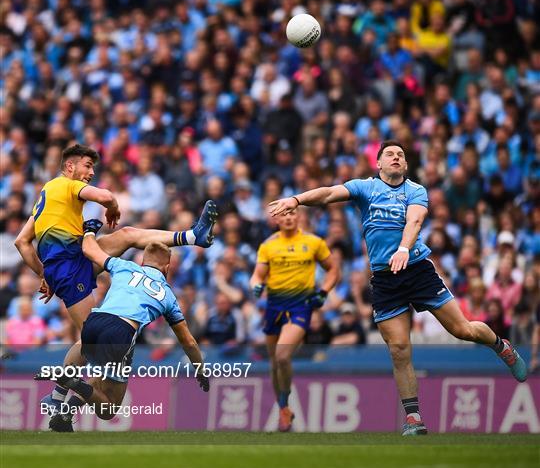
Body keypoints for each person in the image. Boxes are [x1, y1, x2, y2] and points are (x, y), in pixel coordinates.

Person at [268, 140, 528, 436]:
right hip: (385, 277)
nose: (396, 157)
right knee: (400, 349)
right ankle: (414, 418)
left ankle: (500, 346)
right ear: (377, 163)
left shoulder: (415, 191)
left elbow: (415, 221)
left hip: (416, 268)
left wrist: (404, 248)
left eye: (401, 155)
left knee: (463, 330)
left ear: (405, 165)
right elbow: (328, 193)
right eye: (389, 154)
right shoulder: (365, 188)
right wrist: (297, 200)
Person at [15, 144, 218, 412]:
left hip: (71, 260)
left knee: (127, 235)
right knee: (92, 339)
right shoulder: (64, 185)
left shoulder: (45, 199)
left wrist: (44, 274)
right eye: (87, 166)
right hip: (69, 264)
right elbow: (106, 196)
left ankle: (192, 236)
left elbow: (22, 242)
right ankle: (58, 396)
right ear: (69, 166)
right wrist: (111, 207)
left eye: (93, 169)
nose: (90, 173)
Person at [37, 220, 209, 432]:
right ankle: (71, 383)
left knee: (91, 361)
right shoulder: (168, 296)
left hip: (95, 321)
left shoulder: (124, 267)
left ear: (144, 261)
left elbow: (90, 250)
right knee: (109, 408)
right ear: (167, 268)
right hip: (121, 331)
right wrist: (200, 370)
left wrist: (89, 231)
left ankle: (62, 401)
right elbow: (188, 342)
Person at [250, 208, 339, 432]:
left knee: (282, 355)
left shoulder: (314, 242)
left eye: (292, 213)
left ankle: (284, 402)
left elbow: (333, 270)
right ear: (276, 218)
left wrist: (324, 292)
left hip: (301, 306)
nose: (288, 217)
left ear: (298, 217)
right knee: (273, 363)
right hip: (274, 307)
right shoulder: (268, 246)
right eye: (284, 214)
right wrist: (255, 286)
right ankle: (284, 408)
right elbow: (257, 275)